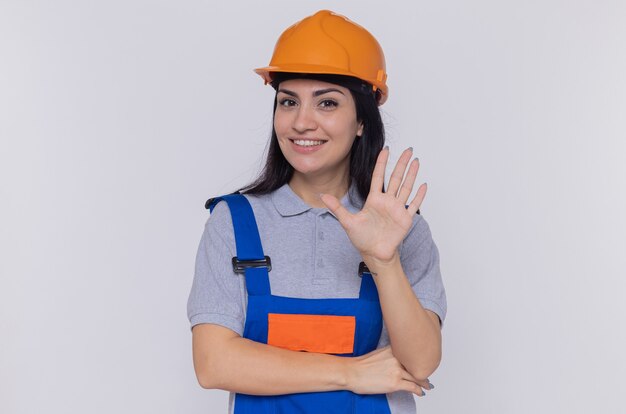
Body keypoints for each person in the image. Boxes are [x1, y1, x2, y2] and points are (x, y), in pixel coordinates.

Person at [187, 9, 447, 414]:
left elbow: (421, 362)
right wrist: (351, 373)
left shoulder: (400, 227)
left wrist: (383, 260)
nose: (302, 122)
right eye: (288, 101)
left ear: (362, 120)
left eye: (327, 103)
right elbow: (213, 363)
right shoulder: (235, 223)